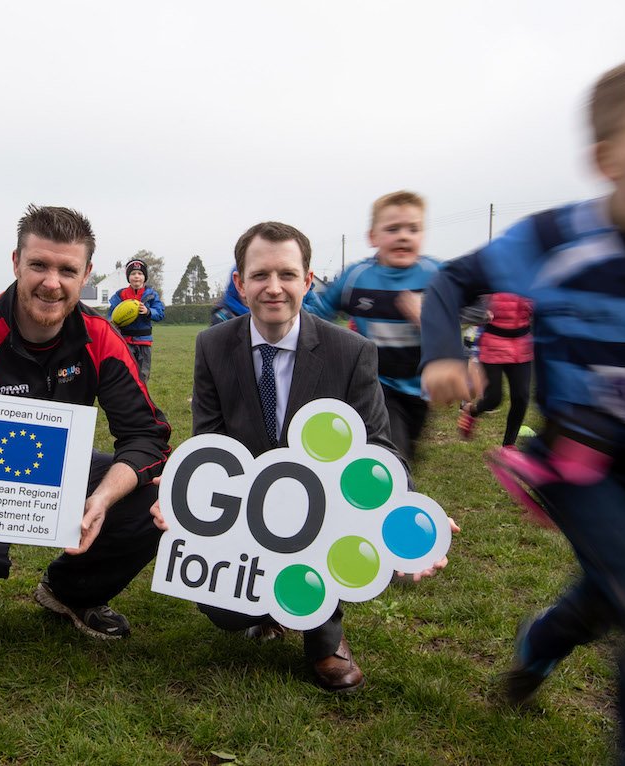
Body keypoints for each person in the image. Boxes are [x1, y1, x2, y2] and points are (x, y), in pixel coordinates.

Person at [419, 63, 625, 765]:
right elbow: (451, 280)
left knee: (609, 596)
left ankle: (542, 640)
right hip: (572, 461)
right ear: (607, 160)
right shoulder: (552, 241)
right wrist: (442, 352)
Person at [153, 221, 443, 692]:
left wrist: (410, 514)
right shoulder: (212, 346)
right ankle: (268, 604)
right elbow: (209, 442)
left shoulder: (351, 352)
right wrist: (182, 499)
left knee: (325, 524)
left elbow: (379, 449)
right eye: (260, 275)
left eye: (287, 275)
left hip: (322, 510)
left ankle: (325, 636)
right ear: (240, 283)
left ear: (307, 281)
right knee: (224, 611)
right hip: (247, 508)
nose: (273, 288)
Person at [0, 205, 171, 655]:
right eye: (39, 265)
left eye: (67, 269)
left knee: (154, 496)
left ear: (86, 274)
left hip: (62, 466)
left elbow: (146, 437)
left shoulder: (101, 336)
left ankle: (70, 591)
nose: (53, 282)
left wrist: (100, 500)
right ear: (15, 262)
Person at [319, 191, 444, 465]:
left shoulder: (436, 275)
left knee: (405, 449)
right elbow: (317, 313)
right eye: (392, 229)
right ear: (373, 237)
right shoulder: (356, 278)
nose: (403, 236)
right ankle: (391, 498)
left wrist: (429, 318)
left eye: (413, 229)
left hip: (419, 389)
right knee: (392, 455)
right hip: (374, 384)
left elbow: (474, 308)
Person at [457, 293, 533, 448]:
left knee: (521, 397)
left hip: (522, 345)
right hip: (492, 345)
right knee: (493, 399)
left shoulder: (530, 275)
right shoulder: (490, 274)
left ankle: (509, 446)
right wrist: (480, 313)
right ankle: (471, 411)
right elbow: (471, 307)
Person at [107, 258, 165, 383]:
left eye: (140, 274)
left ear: (145, 277)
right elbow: (112, 313)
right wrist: (112, 322)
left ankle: (141, 399)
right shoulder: (120, 295)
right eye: (133, 274)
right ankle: (126, 398)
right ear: (128, 277)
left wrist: (148, 312)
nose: (136, 277)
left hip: (144, 342)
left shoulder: (151, 295)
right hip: (125, 341)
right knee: (125, 372)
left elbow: (160, 314)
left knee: (143, 374)